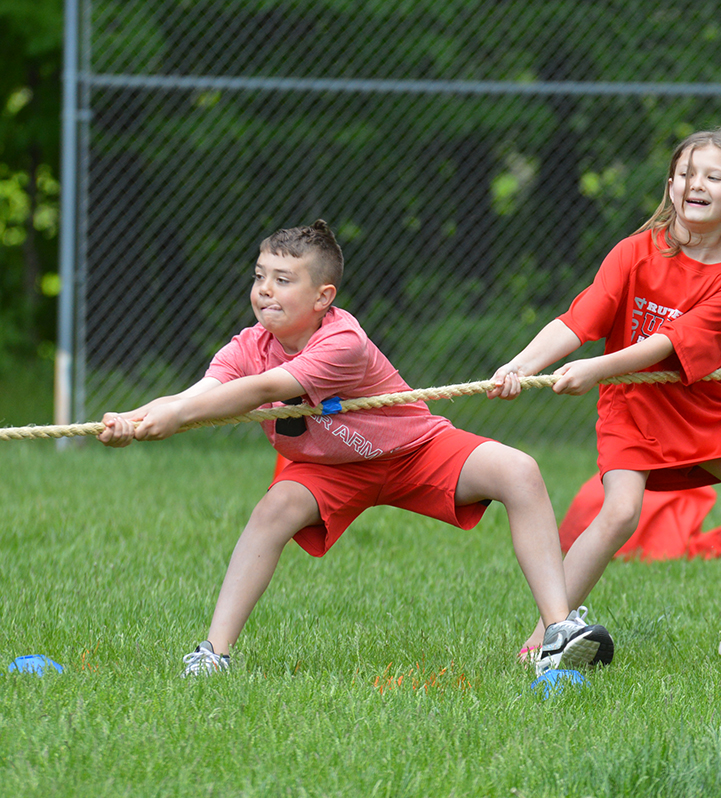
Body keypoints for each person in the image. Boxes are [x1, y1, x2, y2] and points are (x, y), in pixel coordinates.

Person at [99, 220, 613, 678]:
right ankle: (213, 653)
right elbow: (198, 394)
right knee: (274, 509)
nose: (264, 291)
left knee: (519, 471)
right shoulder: (247, 345)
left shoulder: (343, 341)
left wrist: (176, 416)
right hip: (331, 467)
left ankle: (557, 631)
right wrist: (138, 417)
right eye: (259, 276)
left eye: (283, 280)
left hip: (413, 450)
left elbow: (258, 391)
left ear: (323, 297)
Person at [491, 128, 721, 666]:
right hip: (633, 407)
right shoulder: (633, 251)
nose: (694, 184)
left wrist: (595, 368)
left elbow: (671, 343)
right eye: (685, 173)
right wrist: (519, 365)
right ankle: (543, 639)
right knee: (621, 513)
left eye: (712, 176)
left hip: (703, 408)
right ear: (670, 184)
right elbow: (579, 319)